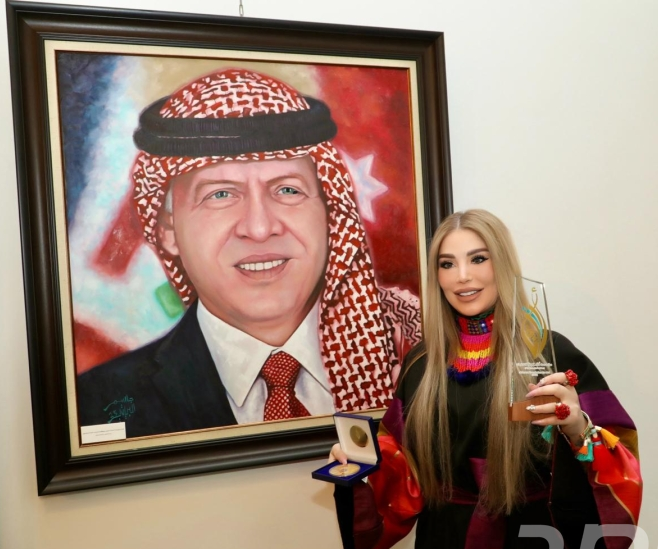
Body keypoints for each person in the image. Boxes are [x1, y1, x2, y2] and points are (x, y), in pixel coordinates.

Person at [77, 68, 421, 438]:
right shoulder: (95, 406)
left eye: (287, 190)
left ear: (329, 214)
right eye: (220, 194)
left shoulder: (414, 364)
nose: (259, 228)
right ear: (168, 230)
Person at [330, 209, 642, 549]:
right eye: (447, 264)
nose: (462, 276)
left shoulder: (552, 354)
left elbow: (619, 455)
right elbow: (403, 464)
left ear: (503, 264)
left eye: (478, 258)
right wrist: (361, 464)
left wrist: (578, 428)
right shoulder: (421, 363)